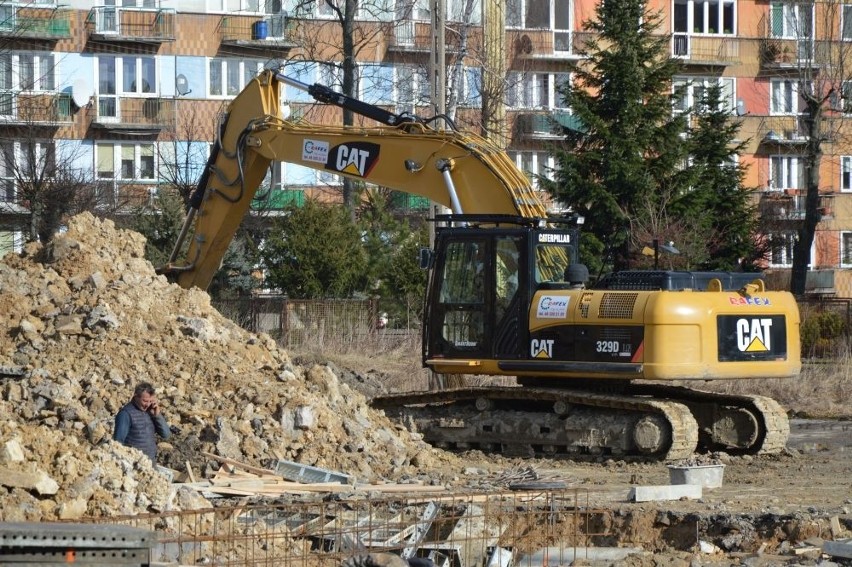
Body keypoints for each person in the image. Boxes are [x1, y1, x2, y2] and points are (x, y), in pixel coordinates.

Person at [113, 382, 170, 463]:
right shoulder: (125, 414)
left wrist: (157, 415)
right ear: (136, 397)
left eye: (150, 401)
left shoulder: (150, 411)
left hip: (150, 463)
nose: (147, 405)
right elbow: (117, 444)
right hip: (133, 463)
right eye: (145, 401)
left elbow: (166, 434)